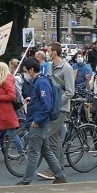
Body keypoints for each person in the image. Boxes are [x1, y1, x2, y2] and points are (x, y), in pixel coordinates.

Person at [16, 57, 68, 185]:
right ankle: (60, 176)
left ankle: (26, 180)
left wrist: (37, 121)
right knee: (46, 151)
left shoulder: (41, 82)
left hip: (38, 123)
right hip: (39, 122)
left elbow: (47, 105)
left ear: (32, 70)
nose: (25, 75)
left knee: (33, 152)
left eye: (26, 71)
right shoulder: (40, 81)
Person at [37, 42, 74, 180]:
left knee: (48, 135)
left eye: (48, 51)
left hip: (60, 108)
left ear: (54, 53)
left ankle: (54, 169)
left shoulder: (67, 68)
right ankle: (59, 168)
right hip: (53, 107)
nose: (46, 53)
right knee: (55, 139)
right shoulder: (51, 67)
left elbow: (70, 91)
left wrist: (57, 103)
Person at [0, 62, 22, 163]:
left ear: (2, 69)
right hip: (3, 112)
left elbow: (12, 96)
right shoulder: (1, 81)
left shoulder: (6, 82)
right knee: (7, 135)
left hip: (5, 113)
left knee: (5, 134)